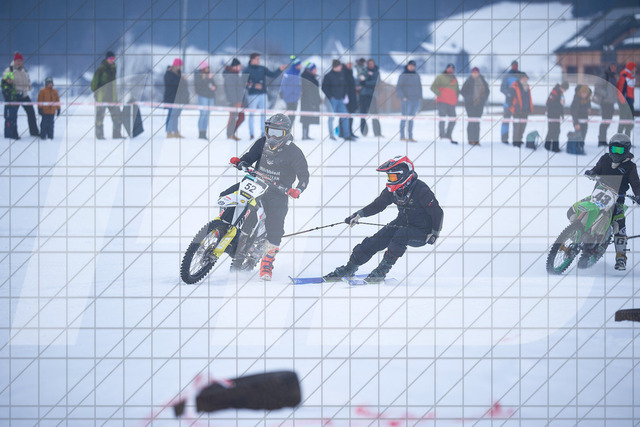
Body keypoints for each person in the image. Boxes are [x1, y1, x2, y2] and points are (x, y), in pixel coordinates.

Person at [323, 156, 443, 282]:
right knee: (375, 241)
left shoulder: (421, 190)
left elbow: (438, 212)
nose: (390, 180)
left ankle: (381, 271)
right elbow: (378, 204)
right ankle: (350, 268)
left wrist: (434, 233)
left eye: (393, 177)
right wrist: (359, 215)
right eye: (389, 177)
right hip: (402, 223)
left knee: (400, 236)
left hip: (422, 232)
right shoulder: (393, 190)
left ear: (403, 175)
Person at [228, 114, 309, 280]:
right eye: (270, 132)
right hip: (255, 184)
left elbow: (304, 176)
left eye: (278, 133)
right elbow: (249, 158)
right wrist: (240, 162)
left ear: (286, 133)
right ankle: (221, 229)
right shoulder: (261, 143)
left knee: (276, 225)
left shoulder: (294, 152)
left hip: (278, 193)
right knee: (230, 197)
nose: (273, 137)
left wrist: (298, 190)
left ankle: (267, 260)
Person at [584, 133, 640, 270]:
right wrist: (592, 172)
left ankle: (621, 257)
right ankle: (575, 233)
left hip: (617, 200)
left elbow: (636, 185)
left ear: (626, 150)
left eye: (619, 150)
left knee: (619, 224)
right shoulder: (605, 159)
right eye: (614, 149)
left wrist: (638, 195)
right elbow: (596, 169)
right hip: (598, 196)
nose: (616, 153)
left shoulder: (630, 167)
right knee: (583, 210)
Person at [243, 53, 286, 139]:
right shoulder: (246, 70)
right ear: (252, 59)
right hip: (252, 95)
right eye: (257, 59)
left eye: (259, 59)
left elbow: (272, 75)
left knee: (264, 114)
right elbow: (243, 83)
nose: (259, 61)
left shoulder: (262, 68)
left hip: (263, 94)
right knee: (252, 114)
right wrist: (254, 85)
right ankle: (251, 134)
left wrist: (279, 69)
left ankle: (263, 133)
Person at [3, 52, 39, 137]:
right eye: (18, 60)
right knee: (13, 115)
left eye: (20, 60)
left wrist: (29, 87)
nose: (19, 62)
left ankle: (34, 132)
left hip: (24, 95)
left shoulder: (24, 70)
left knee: (31, 112)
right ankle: (13, 133)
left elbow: (28, 80)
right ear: (15, 60)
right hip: (14, 95)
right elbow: (5, 83)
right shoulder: (9, 70)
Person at [91, 51, 123, 139]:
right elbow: (93, 84)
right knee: (99, 117)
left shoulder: (114, 69)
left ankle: (117, 134)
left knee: (117, 116)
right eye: (110, 58)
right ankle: (99, 135)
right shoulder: (100, 69)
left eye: (113, 58)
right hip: (102, 98)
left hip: (112, 97)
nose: (112, 60)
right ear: (107, 59)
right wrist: (98, 92)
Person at [322, 60, 352, 141]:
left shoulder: (342, 75)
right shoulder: (328, 76)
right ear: (336, 66)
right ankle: (331, 135)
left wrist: (343, 95)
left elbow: (345, 86)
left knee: (345, 116)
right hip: (332, 100)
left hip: (340, 100)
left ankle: (347, 135)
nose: (341, 67)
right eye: (340, 66)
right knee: (331, 118)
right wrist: (330, 96)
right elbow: (324, 88)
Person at [460, 67, 489, 146]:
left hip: (479, 105)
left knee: (477, 122)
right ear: (471, 73)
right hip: (470, 105)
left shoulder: (483, 81)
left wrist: (483, 100)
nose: (475, 74)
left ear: (478, 73)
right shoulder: (468, 81)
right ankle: (470, 139)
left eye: (476, 72)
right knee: (471, 122)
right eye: (473, 72)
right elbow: (462, 91)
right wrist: (469, 98)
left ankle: (476, 140)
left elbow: (487, 91)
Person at [431, 63, 459, 144]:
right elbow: (433, 87)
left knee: (453, 119)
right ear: (446, 69)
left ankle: (448, 135)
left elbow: (457, 90)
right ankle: (442, 136)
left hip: (451, 103)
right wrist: (440, 94)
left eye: (452, 68)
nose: (450, 70)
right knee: (442, 119)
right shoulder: (440, 77)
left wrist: (455, 99)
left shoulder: (455, 79)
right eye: (449, 68)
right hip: (442, 102)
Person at [396, 60, 422, 142]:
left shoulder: (416, 75)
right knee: (404, 118)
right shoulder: (403, 75)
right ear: (407, 66)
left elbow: (420, 86)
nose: (411, 67)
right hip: (407, 100)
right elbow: (398, 87)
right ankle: (402, 136)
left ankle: (410, 137)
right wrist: (403, 97)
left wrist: (420, 97)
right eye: (410, 65)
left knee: (411, 119)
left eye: (413, 66)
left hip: (416, 100)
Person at [163, 58, 189, 138]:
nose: (180, 68)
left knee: (176, 116)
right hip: (171, 98)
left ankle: (175, 131)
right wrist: (182, 79)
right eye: (179, 66)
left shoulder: (179, 74)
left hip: (179, 98)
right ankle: (169, 132)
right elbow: (173, 84)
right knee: (171, 115)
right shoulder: (168, 74)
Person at [594, 63, 618, 146]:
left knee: (608, 121)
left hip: (611, 103)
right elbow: (597, 87)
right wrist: (606, 94)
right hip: (605, 103)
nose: (614, 69)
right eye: (612, 67)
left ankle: (603, 139)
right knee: (605, 121)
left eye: (615, 67)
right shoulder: (604, 76)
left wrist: (614, 98)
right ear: (609, 67)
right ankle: (601, 140)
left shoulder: (613, 77)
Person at [358, 59, 382, 137]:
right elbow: (360, 81)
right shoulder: (363, 71)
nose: (370, 65)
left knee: (375, 114)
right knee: (363, 114)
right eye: (369, 63)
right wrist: (367, 82)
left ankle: (377, 132)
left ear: (374, 64)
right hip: (363, 95)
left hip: (372, 96)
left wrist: (366, 82)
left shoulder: (376, 72)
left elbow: (377, 82)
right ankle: (364, 132)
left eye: (372, 63)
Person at [500, 60, 522, 144]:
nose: (515, 66)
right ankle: (504, 138)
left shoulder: (520, 75)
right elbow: (502, 88)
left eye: (516, 65)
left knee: (517, 122)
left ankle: (516, 139)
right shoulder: (507, 76)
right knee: (506, 121)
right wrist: (508, 93)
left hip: (518, 104)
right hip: (508, 103)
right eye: (513, 65)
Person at [223, 58, 245, 141]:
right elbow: (231, 90)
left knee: (241, 117)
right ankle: (229, 134)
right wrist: (236, 102)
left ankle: (232, 133)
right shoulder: (230, 75)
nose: (241, 67)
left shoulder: (236, 74)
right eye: (239, 66)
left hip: (239, 100)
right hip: (234, 101)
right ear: (235, 66)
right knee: (233, 117)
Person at [508, 72, 533, 147]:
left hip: (525, 110)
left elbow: (529, 98)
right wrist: (512, 108)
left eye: (526, 78)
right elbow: (509, 99)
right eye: (524, 78)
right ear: (520, 78)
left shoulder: (527, 86)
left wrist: (530, 108)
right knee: (517, 127)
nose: (525, 80)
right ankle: (515, 142)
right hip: (517, 111)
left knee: (523, 126)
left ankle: (519, 139)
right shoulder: (515, 86)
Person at [194, 60, 216, 140]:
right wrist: (207, 79)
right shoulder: (198, 75)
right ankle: (201, 133)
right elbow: (199, 87)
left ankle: (204, 133)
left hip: (211, 97)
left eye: (208, 67)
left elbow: (214, 84)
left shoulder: (209, 75)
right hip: (203, 97)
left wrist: (214, 87)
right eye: (206, 67)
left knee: (207, 115)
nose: (208, 69)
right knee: (203, 114)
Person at [544, 81, 569, 152]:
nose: (565, 91)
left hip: (557, 115)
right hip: (552, 115)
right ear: (562, 87)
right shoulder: (554, 92)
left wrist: (562, 114)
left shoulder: (560, 93)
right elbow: (549, 103)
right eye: (565, 89)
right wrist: (559, 103)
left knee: (557, 131)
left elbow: (561, 106)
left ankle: (555, 147)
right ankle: (547, 146)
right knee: (551, 131)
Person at [300, 62, 321, 140]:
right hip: (307, 101)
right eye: (315, 69)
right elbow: (308, 92)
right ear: (310, 69)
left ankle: (306, 135)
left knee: (308, 118)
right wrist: (312, 102)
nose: (316, 70)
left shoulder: (311, 77)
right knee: (305, 118)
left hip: (311, 101)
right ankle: (304, 135)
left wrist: (318, 100)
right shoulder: (306, 78)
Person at [279, 57, 302, 124]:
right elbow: (284, 85)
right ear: (296, 65)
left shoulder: (296, 73)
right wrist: (283, 93)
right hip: (290, 98)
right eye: (300, 64)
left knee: (292, 117)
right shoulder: (290, 74)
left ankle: (288, 129)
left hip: (294, 98)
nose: (301, 66)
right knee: (291, 117)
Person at [617, 62, 636, 137]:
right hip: (625, 101)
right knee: (623, 120)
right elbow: (620, 88)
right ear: (631, 67)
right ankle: (619, 138)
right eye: (634, 68)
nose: (635, 69)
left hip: (630, 101)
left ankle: (627, 138)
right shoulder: (624, 74)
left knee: (630, 122)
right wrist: (622, 100)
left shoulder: (631, 75)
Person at [2, 71, 19, 140]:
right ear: (6, 79)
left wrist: (18, 96)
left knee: (14, 119)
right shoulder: (5, 86)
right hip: (8, 106)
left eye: (11, 79)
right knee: (9, 120)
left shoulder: (12, 86)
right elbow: (7, 95)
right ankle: (8, 135)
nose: (10, 81)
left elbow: (13, 95)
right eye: (9, 79)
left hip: (13, 105)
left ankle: (14, 134)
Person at [343, 62, 358, 139]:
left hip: (352, 98)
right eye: (349, 64)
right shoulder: (344, 73)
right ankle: (344, 133)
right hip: (346, 98)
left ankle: (350, 132)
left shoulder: (350, 73)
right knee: (345, 116)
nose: (350, 65)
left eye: (351, 64)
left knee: (351, 116)